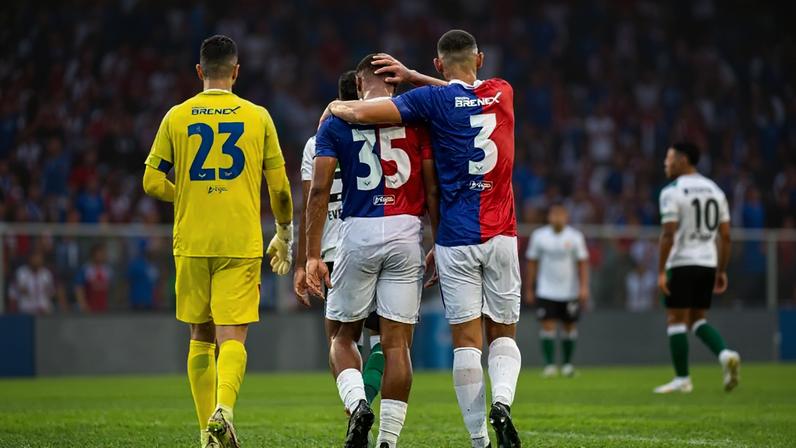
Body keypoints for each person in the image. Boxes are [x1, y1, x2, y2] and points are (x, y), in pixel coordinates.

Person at [325, 30, 523, 448]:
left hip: (454, 238)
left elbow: (363, 116)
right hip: (503, 234)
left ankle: (479, 441)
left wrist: (335, 105)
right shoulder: (502, 91)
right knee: (503, 334)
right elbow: (464, 94)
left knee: (466, 344)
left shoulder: (427, 103)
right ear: (481, 59)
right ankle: (503, 402)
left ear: (438, 64)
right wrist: (415, 74)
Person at [142, 35, 293, 448]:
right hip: (239, 240)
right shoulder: (257, 116)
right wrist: (284, 231)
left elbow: (151, 180)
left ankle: (205, 434)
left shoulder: (177, 115)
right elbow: (279, 188)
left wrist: (186, 193)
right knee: (233, 335)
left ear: (199, 72)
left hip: (191, 239)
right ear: (236, 71)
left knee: (199, 335)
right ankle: (224, 410)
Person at [306, 54, 436, 448]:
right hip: (406, 232)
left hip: (358, 231)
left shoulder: (335, 121)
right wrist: (440, 242)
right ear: (394, 84)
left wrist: (311, 255)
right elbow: (433, 190)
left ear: (359, 85)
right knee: (397, 345)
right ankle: (388, 442)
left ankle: (358, 404)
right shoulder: (417, 120)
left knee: (341, 339)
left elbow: (318, 191)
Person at [295, 70, 385, 407]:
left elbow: (311, 203)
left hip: (331, 251)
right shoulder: (379, 133)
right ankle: (367, 401)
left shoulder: (315, 140)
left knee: (341, 339)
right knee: (383, 339)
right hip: (372, 239)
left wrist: (304, 262)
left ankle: (356, 408)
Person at [654, 142, 740, 394]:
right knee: (697, 319)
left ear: (683, 160)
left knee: (675, 320)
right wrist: (721, 270)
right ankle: (725, 354)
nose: (665, 163)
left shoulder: (672, 191)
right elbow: (726, 237)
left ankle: (682, 379)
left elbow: (668, 234)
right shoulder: (716, 190)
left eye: (669, 158)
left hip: (682, 261)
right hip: (708, 263)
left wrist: (660, 271)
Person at [524, 205, 589, 378]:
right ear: (549, 217)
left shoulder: (575, 237)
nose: (557, 217)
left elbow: (582, 263)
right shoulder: (539, 236)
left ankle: (567, 364)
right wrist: (529, 288)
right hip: (546, 290)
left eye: (561, 214)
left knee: (569, 326)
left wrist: (583, 287)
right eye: (554, 214)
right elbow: (531, 263)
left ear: (566, 217)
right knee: (548, 325)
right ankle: (550, 365)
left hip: (570, 291)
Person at [11, 250, 55, 315]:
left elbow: (51, 292)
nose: (37, 261)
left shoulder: (46, 273)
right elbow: (18, 290)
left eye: (39, 259)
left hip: (43, 310)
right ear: (30, 259)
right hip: (26, 309)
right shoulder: (21, 272)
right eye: (35, 259)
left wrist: (49, 290)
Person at [74, 244, 112, 313]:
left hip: (103, 308)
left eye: (103, 254)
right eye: (99, 254)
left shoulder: (107, 270)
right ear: (93, 254)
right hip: (90, 308)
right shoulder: (86, 269)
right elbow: (78, 288)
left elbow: (110, 289)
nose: (102, 256)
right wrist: (83, 305)